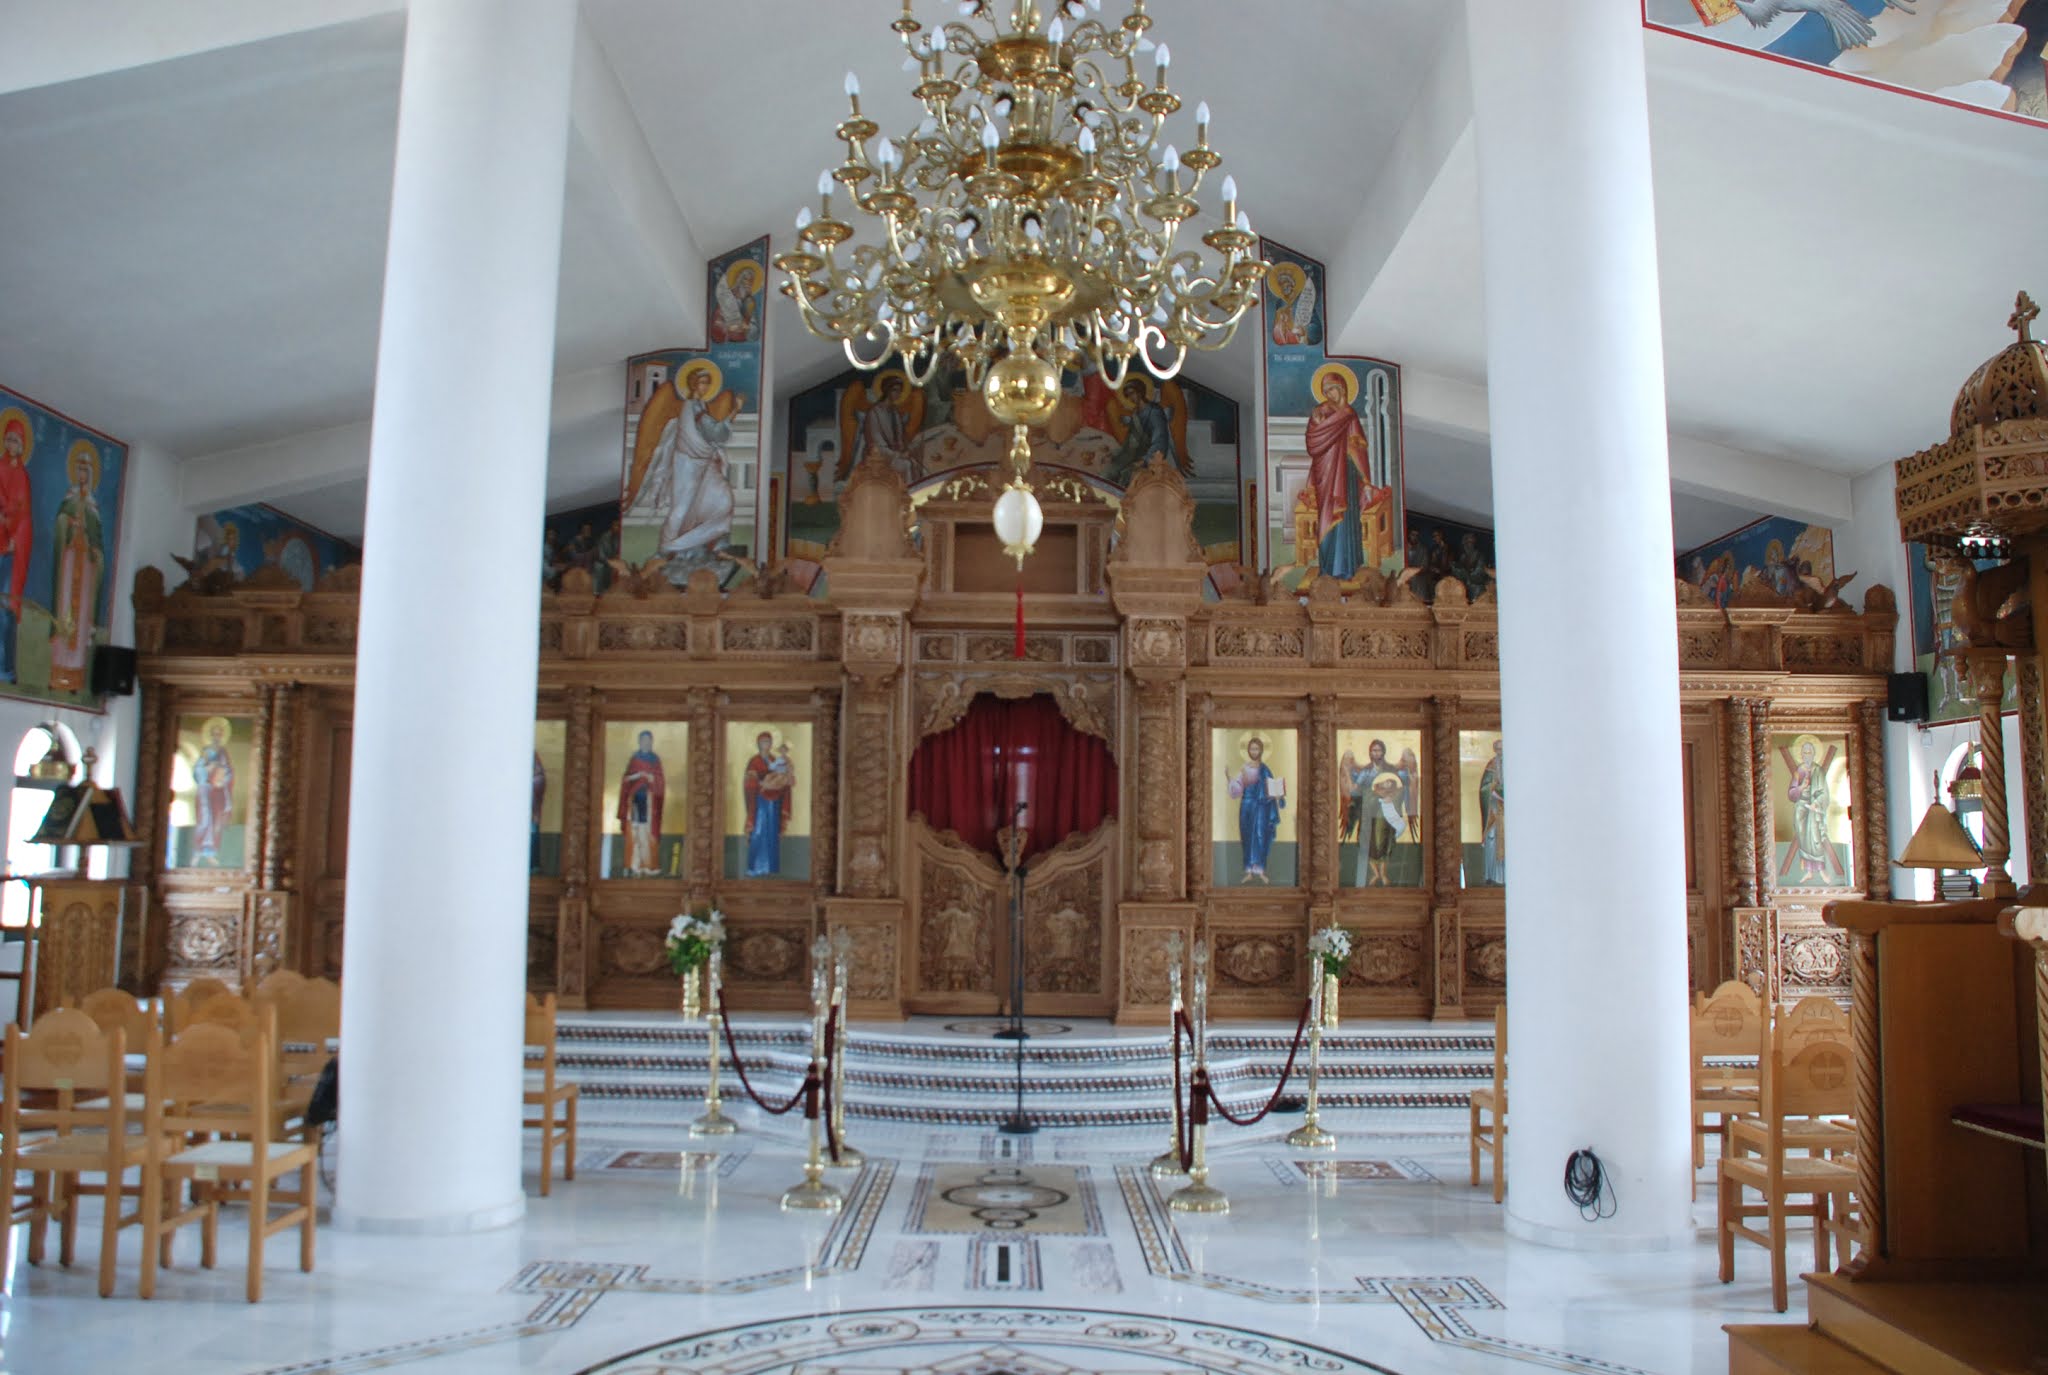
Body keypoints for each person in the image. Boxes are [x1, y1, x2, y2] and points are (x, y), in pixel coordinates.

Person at [647, 364, 737, 573]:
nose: (705, 387)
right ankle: (666, 548)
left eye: (708, 383)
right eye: (702, 382)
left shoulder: (699, 405)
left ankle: (709, 542)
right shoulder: (692, 407)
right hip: (688, 462)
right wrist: (735, 410)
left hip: (703, 460)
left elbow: (708, 435)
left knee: (722, 497)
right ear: (694, 384)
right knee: (681, 508)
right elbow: (715, 432)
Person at [1304, 370, 1387, 580]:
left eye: (1333, 389)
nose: (1329, 394)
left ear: (1342, 389)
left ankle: (1346, 567)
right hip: (1326, 472)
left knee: (1346, 519)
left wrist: (1365, 479)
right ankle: (1328, 568)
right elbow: (1313, 443)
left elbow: (1359, 449)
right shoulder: (1320, 411)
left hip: (1347, 473)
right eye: (1326, 391)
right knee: (1328, 516)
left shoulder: (1350, 414)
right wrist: (1319, 426)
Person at [48, 444, 103, 694]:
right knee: (64, 613)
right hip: (69, 563)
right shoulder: (69, 499)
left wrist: (93, 547)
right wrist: (68, 524)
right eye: (79, 470)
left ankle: (75, 678)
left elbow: (98, 540)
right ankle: (57, 673)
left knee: (80, 621)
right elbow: (60, 522)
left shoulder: (92, 505)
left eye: (85, 471)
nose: (82, 475)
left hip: (85, 568)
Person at [1780, 736, 1841, 884]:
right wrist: (1801, 787)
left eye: (1809, 752)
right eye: (1804, 752)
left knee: (1816, 839)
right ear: (1801, 754)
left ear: (1814, 754)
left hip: (1814, 809)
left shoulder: (1818, 771)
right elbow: (1791, 794)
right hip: (1801, 809)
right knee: (1803, 840)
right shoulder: (1799, 771)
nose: (1807, 755)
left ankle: (1821, 870)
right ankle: (1808, 871)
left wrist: (1817, 804)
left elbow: (1824, 792)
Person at [0, 413, 33, 684]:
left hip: (11, 549)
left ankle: (7, 668)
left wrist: (13, 534)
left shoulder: (22, 475)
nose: (12, 444)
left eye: (16, 440)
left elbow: (23, 513)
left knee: (7, 607)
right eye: (9, 439)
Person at [1226, 736, 1283, 883]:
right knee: (1247, 837)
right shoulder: (1244, 768)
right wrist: (1229, 779)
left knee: (1260, 836)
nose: (1254, 751)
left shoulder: (1265, 770)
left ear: (1261, 750)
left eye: (1256, 748)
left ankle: (1261, 870)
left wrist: (1278, 795)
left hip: (1262, 807)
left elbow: (1272, 787)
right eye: (1252, 748)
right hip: (1247, 806)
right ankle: (1249, 871)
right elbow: (1238, 789)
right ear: (1248, 750)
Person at [1105, 378, 1175, 484]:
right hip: (1131, 456)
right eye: (1128, 395)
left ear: (1140, 391)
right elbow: (1130, 442)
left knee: (1126, 476)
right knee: (1107, 474)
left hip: (1146, 460)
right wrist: (1115, 454)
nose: (1131, 398)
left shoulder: (1154, 412)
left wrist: (1145, 460)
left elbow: (1160, 441)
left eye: (1132, 393)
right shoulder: (1136, 414)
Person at [743, 732, 794, 877]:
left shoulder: (775, 759)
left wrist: (784, 780)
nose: (766, 744)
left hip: (775, 801)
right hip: (760, 801)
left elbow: (784, 776)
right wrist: (762, 783)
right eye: (763, 742)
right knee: (758, 830)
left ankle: (771, 867)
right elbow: (749, 782)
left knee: (772, 831)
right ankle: (755, 867)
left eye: (768, 742)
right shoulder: (754, 761)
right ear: (758, 744)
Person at [616, 730, 665, 877]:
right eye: (643, 740)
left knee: (646, 833)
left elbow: (660, 782)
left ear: (651, 742)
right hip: (635, 800)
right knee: (635, 831)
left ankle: (648, 865)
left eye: (648, 740)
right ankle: (633, 864)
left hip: (650, 803)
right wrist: (637, 775)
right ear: (639, 742)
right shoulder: (634, 759)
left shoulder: (655, 760)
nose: (646, 743)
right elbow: (626, 779)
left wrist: (651, 778)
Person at [193, 719, 235, 865]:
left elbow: (229, 771)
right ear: (210, 735)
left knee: (216, 821)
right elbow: (198, 769)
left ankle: (210, 853)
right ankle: (197, 851)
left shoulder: (223, 753)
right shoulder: (205, 751)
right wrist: (207, 769)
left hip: (218, 792)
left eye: (219, 734)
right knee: (204, 819)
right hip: (205, 790)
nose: (217, 737)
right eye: (214, 734)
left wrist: (222, 776)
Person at [1478, 738, 1505, 886]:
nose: (1500, 752)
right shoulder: (1492, 765)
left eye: (1502, 749)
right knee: (1492, 839)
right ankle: (1493, 877)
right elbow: (1484, 788)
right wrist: (1493, 789)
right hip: (1493, 811)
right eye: (1498, 749)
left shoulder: (1514, 763)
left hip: (1508, 813)